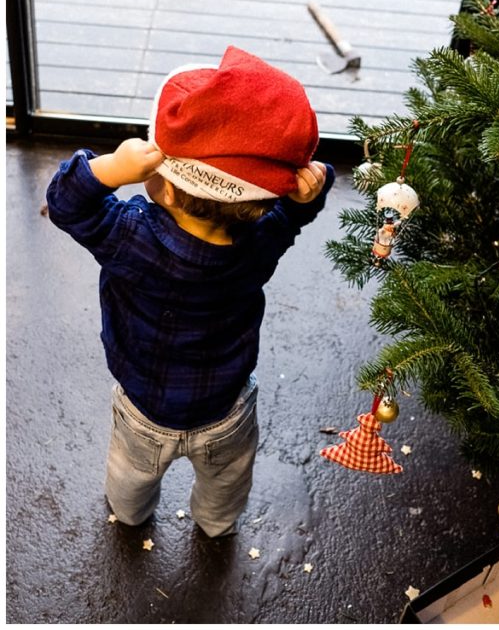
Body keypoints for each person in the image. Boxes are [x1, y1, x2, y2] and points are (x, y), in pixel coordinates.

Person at [46, 46, 335, 538]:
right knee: (226, 483)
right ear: (260, 203)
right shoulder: (262, 239)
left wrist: (112, 168)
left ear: (172, 190)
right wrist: (316, 187)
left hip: (143, 408)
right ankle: (217, 526)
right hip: (226, 409)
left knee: (130, 479)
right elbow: (295, 211)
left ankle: (131, 516)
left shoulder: (127, 235)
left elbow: (66, 205)